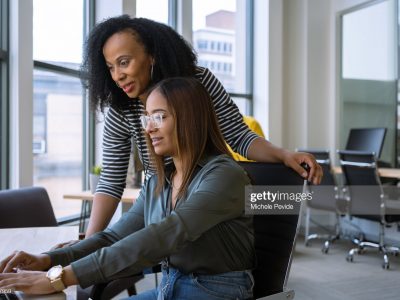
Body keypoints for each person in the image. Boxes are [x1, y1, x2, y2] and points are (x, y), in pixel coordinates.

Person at [62, 15, 321, 243]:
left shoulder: (199, 83)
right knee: (120, 250)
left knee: (131, 252)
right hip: (164, 200)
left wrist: (284, 155)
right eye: (110, 67)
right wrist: (90, 241)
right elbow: (111, 179)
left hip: (206, 197)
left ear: (151, 56)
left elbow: (239, 136)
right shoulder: (122, 107)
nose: (117, 75)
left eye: (124, 62)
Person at [0, 77, 255, 300]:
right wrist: (49, 260)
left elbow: (163, 235)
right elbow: (113, 237)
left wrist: (61, 278)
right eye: (147, 117)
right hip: (170, 287)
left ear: (191, 119)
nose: (149, 127)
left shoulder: (225, 176)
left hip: (216, 293)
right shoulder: (160, 180)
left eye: (159, 116)